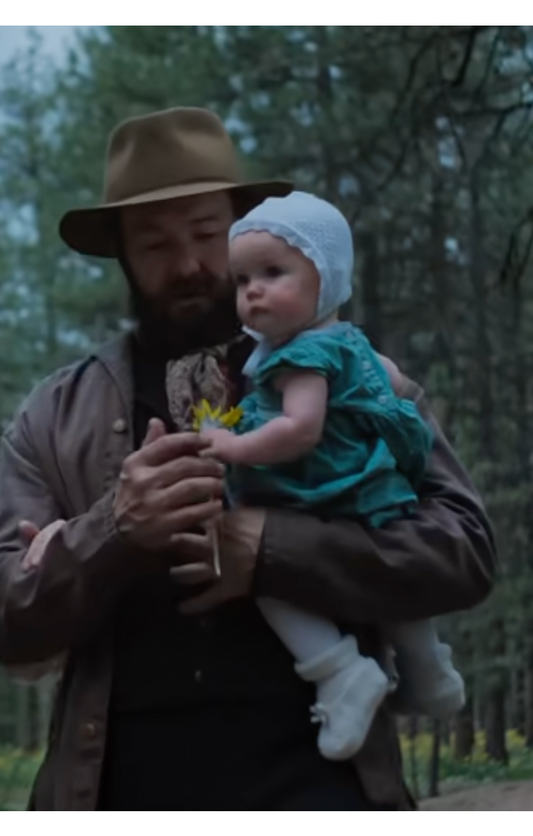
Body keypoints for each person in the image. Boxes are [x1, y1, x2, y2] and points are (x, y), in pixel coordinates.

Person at [0, 107, 495, 810]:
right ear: (122, 254)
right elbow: (0, 618)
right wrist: (113, 532)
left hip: (325, 792)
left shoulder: (353, 372)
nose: (189, 265)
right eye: (155, 243)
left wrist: (272, 549)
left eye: (207, 235)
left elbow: (465, 549)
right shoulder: (56, 415)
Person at [193, 190, 465, 762]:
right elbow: (388, 390)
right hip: (373, 489)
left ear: (327, 277)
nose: (253, 291)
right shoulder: (353, 344)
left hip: (316, 489)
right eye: (242, 280)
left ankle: (338, 670)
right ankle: (428, 669)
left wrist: (233, 446)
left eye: (273, 273)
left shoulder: (299, 358)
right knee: (388, 578)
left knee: (264, 574)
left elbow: (301, 430)